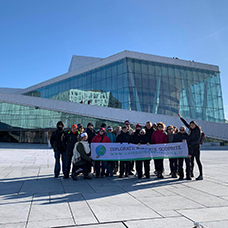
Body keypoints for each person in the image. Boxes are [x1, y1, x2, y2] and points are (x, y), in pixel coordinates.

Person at [178, 113, 203, 180]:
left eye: (193, 125)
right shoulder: (191, 130)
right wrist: (180, 118)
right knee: (191, 160)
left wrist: (190, 144)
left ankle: (201, 174)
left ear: (195, 125)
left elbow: (197, 140)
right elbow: (185, 124)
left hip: (196, 147)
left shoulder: (197, 130)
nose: (191, 126)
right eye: (191, 125)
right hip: (191, 147)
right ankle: (191, 173)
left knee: (197, 160)